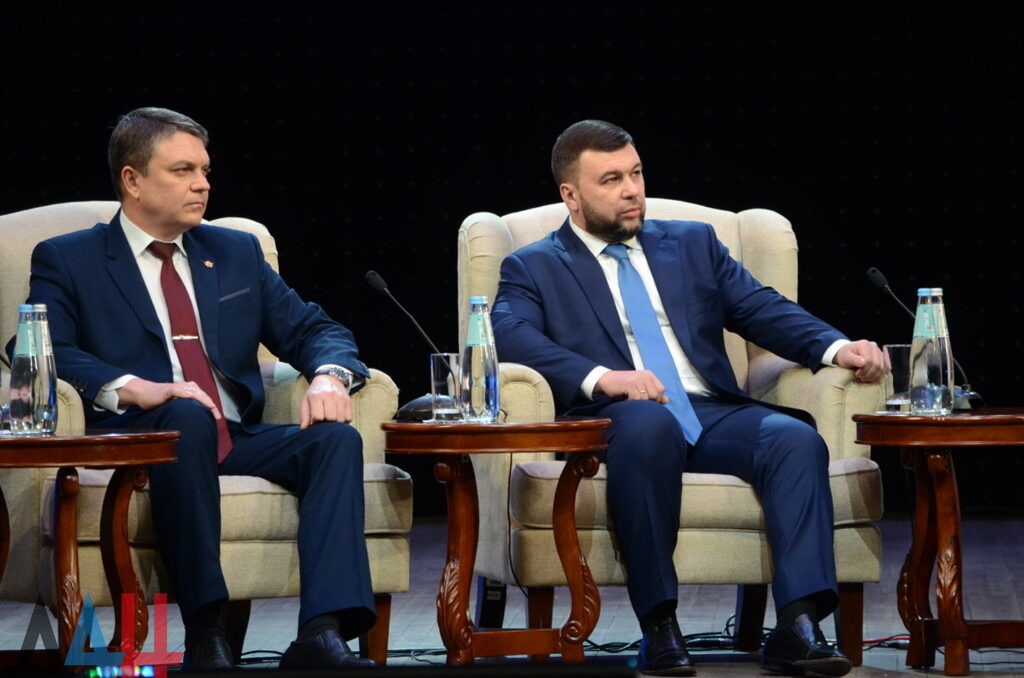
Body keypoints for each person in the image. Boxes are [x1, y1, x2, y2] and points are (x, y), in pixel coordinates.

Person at [491, 119, 886, 677]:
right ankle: (659, 626)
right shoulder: (534, 264)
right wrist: (604, 377)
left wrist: (838, 347)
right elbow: (510, 336)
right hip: (620, 417)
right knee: (650, 427)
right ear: (571, 196)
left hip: (710, 411)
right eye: (611, 180)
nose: (632, 190)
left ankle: (797, 626)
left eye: (636, 174)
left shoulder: (693, 244)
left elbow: (761, 308)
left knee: (795, 440)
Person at [9, 107, 376, 671]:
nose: (202, 184)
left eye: (204, 170)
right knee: (187, 415)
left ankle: (322, 633)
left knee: (333, 439)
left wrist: (330, 374)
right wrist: (133, 387)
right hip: (143, 438)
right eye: (182, 170)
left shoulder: (234, 252)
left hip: (234, 435)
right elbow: (36, 347)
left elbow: (313, 329)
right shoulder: (70, 258)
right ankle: (206, 631)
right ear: (132, 180)